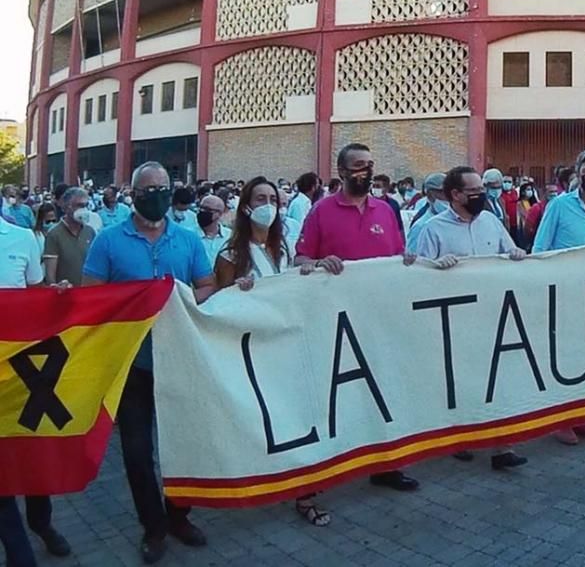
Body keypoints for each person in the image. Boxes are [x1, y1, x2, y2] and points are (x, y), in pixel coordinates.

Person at [82, 161, 214, 564]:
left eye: (163, 187)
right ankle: (153, 527)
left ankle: (179, 516)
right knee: (138, 453)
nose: (156, 194)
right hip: (132, 366)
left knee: (184, 445)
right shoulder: (107, 241)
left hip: (179, 360)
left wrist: (186, 303)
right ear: (134, 194)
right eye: (148, 189)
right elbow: (93, 296)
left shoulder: (188, 240)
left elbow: (206, 284)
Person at [295, 143, 420, 493]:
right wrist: (318, 264)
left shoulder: (386, 210)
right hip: (336, 324)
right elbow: (300, 260)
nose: (366, 172)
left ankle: (386, 465)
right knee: (333, 395)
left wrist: (408, 262)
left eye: (370, 165)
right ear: (342, 171)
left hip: (381, 321)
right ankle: (322, 468)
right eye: (358, 166)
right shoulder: (321, 212)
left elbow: (398, 256)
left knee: (384, 392)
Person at [212, 177, 332, 525]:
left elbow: (297, 288)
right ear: (246, 206)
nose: (268, 204)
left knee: (302, 419)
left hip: (290, 345)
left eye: (273, 199)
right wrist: (237, 291)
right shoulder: (231, 254)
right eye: (260, 198)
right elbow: (218, 306)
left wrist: (313, 270)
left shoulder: (285, 248)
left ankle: (305, 492)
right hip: (255, 352)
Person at [411, 166, 529, 469]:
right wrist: (436, 266)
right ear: (455, 195)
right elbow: (418, 274)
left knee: (497, 379)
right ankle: (459, 437)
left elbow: (509, 250)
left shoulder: (490, 221)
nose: (481, 196)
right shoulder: (433, 229)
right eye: (474, 192)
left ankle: (502, 447)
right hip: (456, 319)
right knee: (462, 382)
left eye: (482, 190)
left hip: (493, 313)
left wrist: (516, 254)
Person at [0, 203, 73, 564]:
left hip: (20, 367)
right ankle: (19, 550)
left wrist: (54, 294)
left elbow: (35, 289)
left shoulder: (22, 237)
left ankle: (41, 524)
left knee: (30, 448)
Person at [532, 147, 585, 444]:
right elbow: (541, 246)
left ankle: (584, 418)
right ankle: (560, 420)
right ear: (578, 173)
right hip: (562, 291)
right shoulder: (559, 205)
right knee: (563, 356)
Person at [43, 187, 94, 289]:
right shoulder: (54, 234)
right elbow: (50, 276)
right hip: (65, 295)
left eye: (86, 205)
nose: (83, 210)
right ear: (67, 207)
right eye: (79, 205)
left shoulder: (90, 232)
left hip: (87, 294)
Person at [404, 173, 448, 248]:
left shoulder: (456, 221)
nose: (448, 197)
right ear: (430, 195)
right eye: (442, 193)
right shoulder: (421, 227)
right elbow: (413, 257)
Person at [195, 193, 232, 268]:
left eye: (208, 210)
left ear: (220, 214)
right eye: (201, 208)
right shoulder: (188, 235)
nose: (202, 211)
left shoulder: (230, 237)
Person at [513, 180, 539, 249]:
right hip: (524, 230)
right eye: (528, 189)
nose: (530, 191)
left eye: (531, 189)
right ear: (523, 192)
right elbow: (523, 216)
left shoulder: (534, 203)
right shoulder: (519, 204)